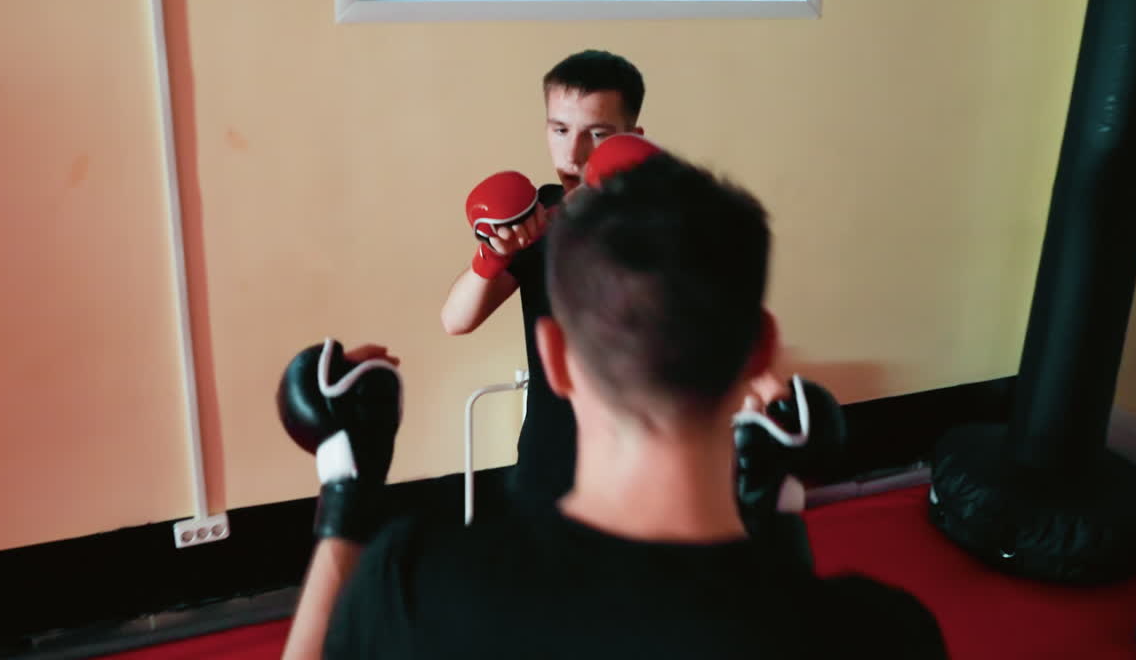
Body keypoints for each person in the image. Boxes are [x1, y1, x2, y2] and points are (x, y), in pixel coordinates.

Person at [281, 151, 948, 658]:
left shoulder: (422, 583)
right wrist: (781, 505)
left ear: (554, 356)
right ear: (761, 349)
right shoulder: (883, 631)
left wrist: (346, 489)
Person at [441, 49, 647, 505]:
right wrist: (493, 254)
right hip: (548, 454)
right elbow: (455, 320)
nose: (573, 153)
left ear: (632, 139)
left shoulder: (661, 221)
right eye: (560, 130)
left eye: (598, 134)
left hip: (639, 459)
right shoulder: (536, 216)